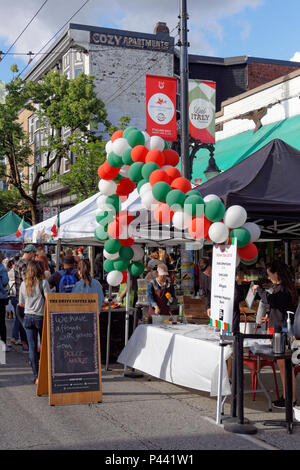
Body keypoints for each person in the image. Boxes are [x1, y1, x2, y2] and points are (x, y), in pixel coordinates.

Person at [253, 261, 298, 408]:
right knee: (284, 367)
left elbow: (272, 301)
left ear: (276, 273)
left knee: (285, 367)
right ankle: (287, 396)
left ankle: (290, 399)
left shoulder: (282, 289)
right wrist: (270, 316)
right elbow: (278, 308)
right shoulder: (283, 288)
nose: (269, 276)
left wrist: (259, 290)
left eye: (269, 274)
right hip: (282, 329)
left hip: (283, 331)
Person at [19, 260, 50, 384]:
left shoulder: (23, 284)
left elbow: (21, 303)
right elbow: (48, 300)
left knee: (32, 348)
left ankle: (37, 376)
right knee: (45, 347)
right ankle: (45, 374)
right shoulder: (44, 283)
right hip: (40, 316)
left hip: (28, 316)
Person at [14, 245, 36, 351]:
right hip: (23, 297)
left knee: (21, 320)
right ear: (30, 252)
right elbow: (26, 280)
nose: (34, 256)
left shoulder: (18, 262)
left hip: (19, 295)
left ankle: (19, 339)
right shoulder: (24, 264)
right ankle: (24, 343)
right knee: (25, 321)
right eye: (33, 253)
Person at [0, 252, 9, 351]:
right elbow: (5, 282)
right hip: (1, 297)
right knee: (2, 321)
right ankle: (3, 344)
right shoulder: (2, 268)